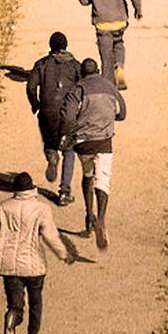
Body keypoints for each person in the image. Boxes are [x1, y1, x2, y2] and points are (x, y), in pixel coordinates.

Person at [0, 172, 73, 334]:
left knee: (15, 303)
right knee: (36, 305)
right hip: (34, 266)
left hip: (9, 265)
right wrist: (63, 253)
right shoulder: (41, 209)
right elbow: (50, 236)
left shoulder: (2, 207)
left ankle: (13, 316)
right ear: (32, 188)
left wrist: (4, 249)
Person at [60, 58, 126, 250]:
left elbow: (68, 117)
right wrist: (107, 117)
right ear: (97, 70)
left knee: (88, 175)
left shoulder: (77, 89)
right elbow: (122, 114)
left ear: (82, 72)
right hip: (104, 140)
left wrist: (69, 133)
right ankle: (102, 220)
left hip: (83, 143)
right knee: (103, 180)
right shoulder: (110, 87)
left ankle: (89, 215)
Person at [26, 31, 81, 205]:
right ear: (66, 46)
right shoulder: (75, 66)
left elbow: (30, 87)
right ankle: (64, 191)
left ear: (51, 46)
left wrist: (35, 104)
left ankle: (51, 154)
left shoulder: (41, 64)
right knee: (69, 150)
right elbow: (83, 86)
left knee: (50, 141)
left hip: (47, 112)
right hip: (68, 113)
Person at [78, 0, 141, 90]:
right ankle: (119, 66)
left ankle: (107, 87)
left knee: (106, 56)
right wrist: (138, 9)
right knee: (118, 43)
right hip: (119, 21)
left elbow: (83, 1)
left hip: (102, 23)